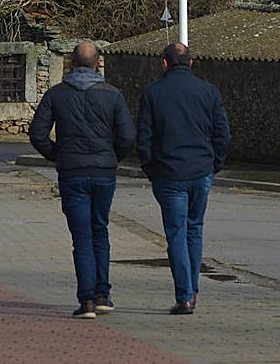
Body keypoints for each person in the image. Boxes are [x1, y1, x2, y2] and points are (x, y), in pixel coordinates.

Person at [29, 41, 135, 319]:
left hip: (72, 172)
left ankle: (86, 300)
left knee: (82, 236)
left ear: (71, 63)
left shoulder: (57, 95)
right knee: (100, 229)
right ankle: (103, 294)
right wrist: (112, 157)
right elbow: (127, 137)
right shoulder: (112, 95)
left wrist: (58, 155)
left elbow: (37, 133)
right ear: (98, 63)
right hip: (103, 173)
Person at [136, 42, 231, 316]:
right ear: (190, 63)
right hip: (201, 171)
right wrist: (215, 164)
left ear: (164, 63)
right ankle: (193, 290)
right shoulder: (209, 92)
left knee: (176, 233)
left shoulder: (153, 93)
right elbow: (222, 134)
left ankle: (184, 295)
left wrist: (150, 167)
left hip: (169, 173)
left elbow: (144, 137)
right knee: (194, 229)